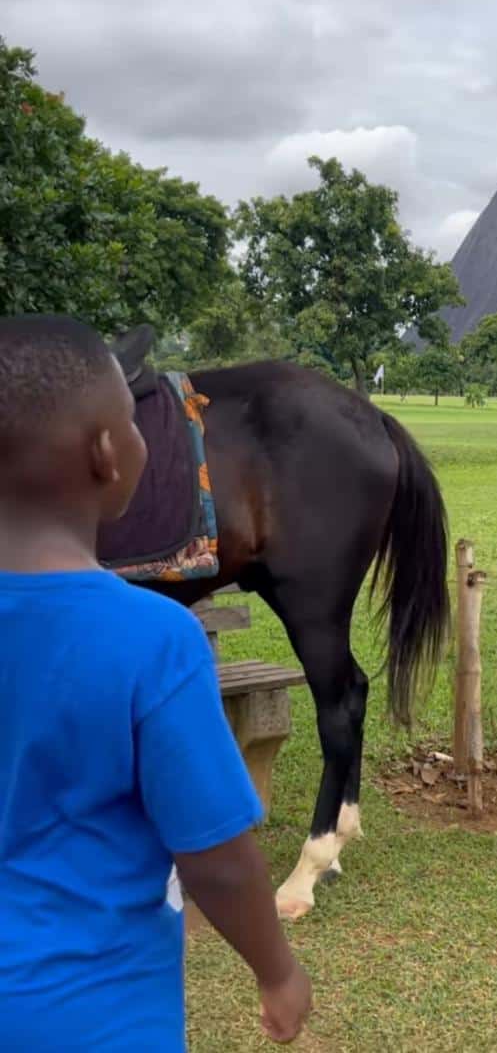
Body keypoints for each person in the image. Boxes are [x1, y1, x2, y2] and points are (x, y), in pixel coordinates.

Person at [0, 315, 312, 1050]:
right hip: (90, 1009)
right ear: (110, 454)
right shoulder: (152, 639)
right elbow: (213, 854)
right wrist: (276, 969)